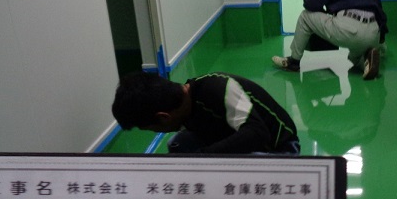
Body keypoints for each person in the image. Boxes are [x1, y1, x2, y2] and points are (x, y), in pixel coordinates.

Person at [112, 71, 300, 155]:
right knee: (178, 144)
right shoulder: (182, 105)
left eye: (153, 129)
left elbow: (257, 134)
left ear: (163, 117)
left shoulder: (217, 88)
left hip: (279, 146)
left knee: (248, 168)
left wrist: (203, 157)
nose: (157, 132)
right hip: (233, 134)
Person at [272, 0, 388, 80]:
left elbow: (310, 2)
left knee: (305, 17)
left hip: (349, 30)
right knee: (354, 59)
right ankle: (367, 60)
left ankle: (293, 62)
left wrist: (325, 13)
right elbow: (381, 13)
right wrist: (380, 41)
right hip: (374, 33)